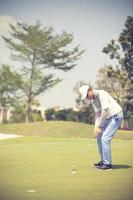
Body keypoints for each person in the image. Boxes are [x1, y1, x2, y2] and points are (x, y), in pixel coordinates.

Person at [79, 85, 123, 170]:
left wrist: (99, 126)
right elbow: (98, 114)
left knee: (105, 138)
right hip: (108, 118)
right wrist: (96, 128)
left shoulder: (102, 94)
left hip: (116, 116)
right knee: (99, 137)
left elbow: (105, 111)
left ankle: (108, 164)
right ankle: (103, 161)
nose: (87, 98)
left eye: (87, 95)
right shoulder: (93, 101)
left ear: (90, 90)